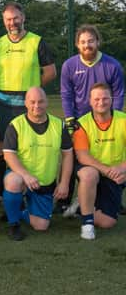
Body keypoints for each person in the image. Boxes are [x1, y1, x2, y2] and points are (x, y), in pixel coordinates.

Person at [0, 2, 56, 204]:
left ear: (23, 17)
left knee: (29, 147)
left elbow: (50, 72)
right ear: (3, 21)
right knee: (0, 149)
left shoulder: (37, 42)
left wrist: (31, 93)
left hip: (28, 106)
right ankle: (1, 192)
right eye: (8, 19)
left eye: (16, 18)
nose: (12, 22)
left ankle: (31, 191)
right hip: (3, 105)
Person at [59, 24, 124, 214]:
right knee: (70, 157)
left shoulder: (112, 65)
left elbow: (119, 94)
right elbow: (66, 94)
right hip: (80, 122)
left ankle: (112, 198)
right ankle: (64, 198)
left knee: (110, 155)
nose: (87, 45)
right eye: (83, 42)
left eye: (90, 41)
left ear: (97, 42)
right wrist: (70, 119)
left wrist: (113, 119)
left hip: (106, 119)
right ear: (77, 45)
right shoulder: (69, 65)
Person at [2, 87, 73, 240]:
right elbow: (9, 155)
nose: (37, 106)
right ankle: (13, 224)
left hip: (44, 183)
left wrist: (64, 183)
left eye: (40, 101)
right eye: (32, 102)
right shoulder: (16, 125)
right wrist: (26, 175)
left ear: (47, 102)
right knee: (13, 181)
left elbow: (67, 155)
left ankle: (19, 210)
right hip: (22, 178)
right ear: (26, 103)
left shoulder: (58, 125)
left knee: (41, 226)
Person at [73, 83, 126, 240]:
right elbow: (82, 156)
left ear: (112, 99)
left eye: (105, 98)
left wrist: (122, 169)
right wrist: (108, 171)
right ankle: (87, 223)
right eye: (97, 99)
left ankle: (81, 206)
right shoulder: (82, 123)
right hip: (94, 170)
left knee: (107, 222)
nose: (101, 102)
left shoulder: (123, 120)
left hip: (117, 172)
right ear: (90, 101)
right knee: (89, 174)